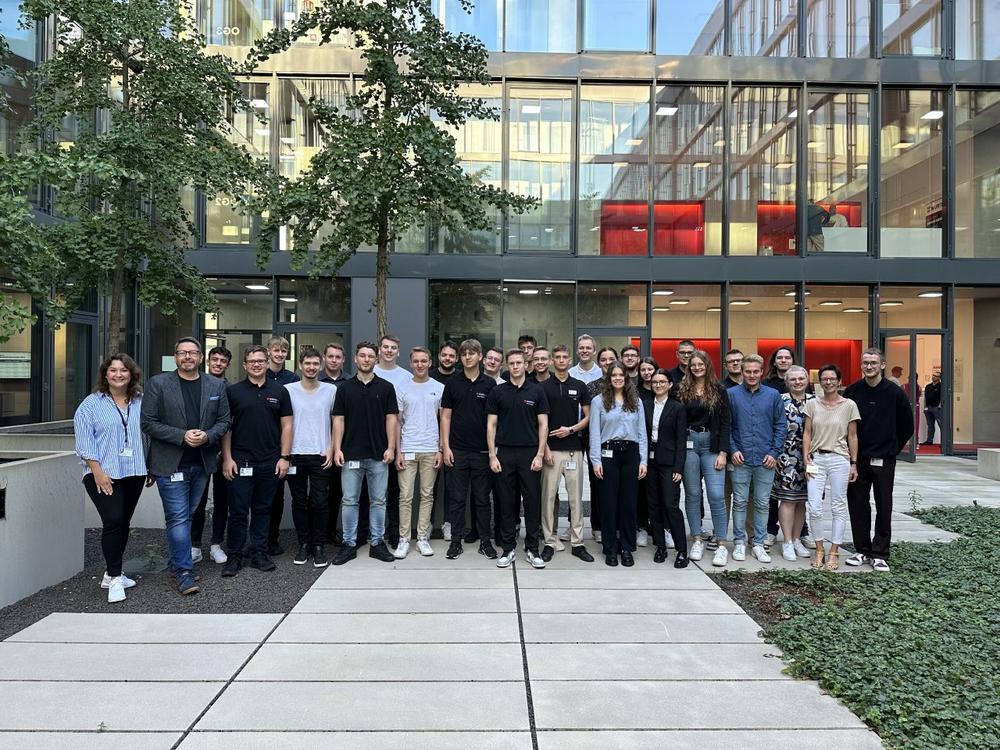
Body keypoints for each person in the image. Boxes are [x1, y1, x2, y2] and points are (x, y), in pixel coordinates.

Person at [141, 337, 231, 596]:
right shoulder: (158, 384)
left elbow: (224, 421)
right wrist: (182, 435)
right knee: (179, 517)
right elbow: (148, 422)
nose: (188, 357)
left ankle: (177, 562)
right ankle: (183, 572)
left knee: (187, 515)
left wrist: (208, 436)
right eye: (182, 353)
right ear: (175, 357)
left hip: (201, 463)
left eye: (192, 353)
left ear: (201, 357)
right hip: (170, 464)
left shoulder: (216, 385)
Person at [74, 354, 150, 604]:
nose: (119, 374)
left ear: (132, 374)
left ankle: (111, 573)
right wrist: (97, 472)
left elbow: (149, 434)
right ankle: (116, 579)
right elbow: (84, 441)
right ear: (105, 374)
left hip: (135, 470)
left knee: (123, 521)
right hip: (102, 473)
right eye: (113, 370)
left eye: (124, 370)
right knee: (113, 519)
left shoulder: (141, 401)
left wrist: (150, 466)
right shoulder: (91, 404)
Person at [220, 345, 293, 577]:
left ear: (267, 362)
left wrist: (284, 457)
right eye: (252, 361)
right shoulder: (233, 392)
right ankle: (234, 555)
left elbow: (287, 425)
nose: (257, 364)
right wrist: (227, 459)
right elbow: (226, 428)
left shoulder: (280, 391)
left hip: (270, 461)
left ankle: (259, 552)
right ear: (245, 365)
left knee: (263, 510)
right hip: (240, 461)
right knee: (238, 511)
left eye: (261, 361)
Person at [843, 347, 914, 572]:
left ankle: (880, 553)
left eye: (873, 363)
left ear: (882, 365)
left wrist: (892, 449)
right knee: (857, 505)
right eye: (865, 363)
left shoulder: (895, 393)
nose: (869, 366)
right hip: (857, 460)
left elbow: (907, 426)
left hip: (884, 460)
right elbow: (844, 423)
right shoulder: (853, 391)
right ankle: (862, 550)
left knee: (884, 505)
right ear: (861, 365)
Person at [331, 341, 400, 565]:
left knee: (378, 501)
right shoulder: (344, 388)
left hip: (379, 455)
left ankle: (377, 543)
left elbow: (392, 419)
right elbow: (338, 420)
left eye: (371, 356)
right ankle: (349, 544)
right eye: (362, 355)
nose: (366, 359)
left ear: (376, 359)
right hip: (350, 454)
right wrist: (337, 448)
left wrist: (391, 447)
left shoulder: (386, 387)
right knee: (350, 501)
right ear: (355, 359)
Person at [487, 348, 550, 569]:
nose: (515, 366)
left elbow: (543, 425)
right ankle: (508, 549)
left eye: (519, 363)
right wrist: (492, 455)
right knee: (506, 502)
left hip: (530, 453)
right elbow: (491, 425)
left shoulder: (537, 391)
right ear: (507, 365)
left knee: (532, 502)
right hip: (504, 453)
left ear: (526, 365)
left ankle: (533, 549)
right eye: (511, 363)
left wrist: (540, 454)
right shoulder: (498, 392)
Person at [441, 339, 498, 560]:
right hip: (457, 450)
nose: (467, 357)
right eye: (464, 353)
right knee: (457, 500)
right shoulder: (452, 383)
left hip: (482, 452)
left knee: (482, 500)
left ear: (480, 357)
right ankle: (456, 542)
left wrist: (492, 452)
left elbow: (493, 421)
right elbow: (446, 417)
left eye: (472, 353)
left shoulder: (489, 384)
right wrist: (446, 447)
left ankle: (485, 542)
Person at [727, 354, 787, 564]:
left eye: (755, 371)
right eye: (748, 371)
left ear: (761, 372)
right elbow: (727, 426)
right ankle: (739, 542)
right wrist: (733, 450)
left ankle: (759, 543)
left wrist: (774, 452)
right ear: (742, 372)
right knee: (740, 502)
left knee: (762, 503)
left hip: (765, 459)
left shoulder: (773, 395)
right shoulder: (731, 394)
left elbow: (781, 426)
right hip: (740, 458)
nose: (751, 375)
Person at [675, 350, 732, 567]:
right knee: (692, 494)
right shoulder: (682, 389)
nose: (697, 367)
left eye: (700, 364)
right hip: (689, 444)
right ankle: (697, 538)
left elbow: (726, 423)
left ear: (707, 365)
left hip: (712, 445)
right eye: (693, 365)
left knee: (716, 495)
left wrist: (723, 453)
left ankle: (721, 543)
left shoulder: (718, 389)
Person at [803, 364, 860, 571]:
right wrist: (806, 459)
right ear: (820, 382)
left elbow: (852, 436)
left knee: (838, 506)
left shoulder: (849, 405)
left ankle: (834, 551)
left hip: (839, 459)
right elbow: (807, 433)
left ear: (839, 381)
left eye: (832, 379)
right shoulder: (812, 404)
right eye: (824, 379)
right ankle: (819, 548)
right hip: (816, 459)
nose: (828, 382)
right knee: (814, 506)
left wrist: (854, 463)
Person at [589, 362, 647, 567]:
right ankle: (610, 548)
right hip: (608, 455)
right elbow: (594, 433)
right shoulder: (598, 401)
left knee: (628, 503)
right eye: (613, 375)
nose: (617, 378)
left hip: (631, 454)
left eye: (621, 375)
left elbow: (642, 432)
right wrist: (596, 460)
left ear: (626, 377)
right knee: (608, 503)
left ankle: (627, 547)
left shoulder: (636, 401)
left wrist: (643, 460)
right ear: (609, 378)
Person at [539, 345, 592, 563]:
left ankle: (577, 543)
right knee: (548, 498)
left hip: (573, 450)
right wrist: (544, 449)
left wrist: (570, 430)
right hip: (550, 451)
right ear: (552, 361)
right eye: (557, 357)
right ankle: (549, 541)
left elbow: (588, 417)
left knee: (575, 499)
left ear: (570, 360)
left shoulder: (579, 386)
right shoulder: (542, 387)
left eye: (564, 357)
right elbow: (539, 421)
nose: (561, 360)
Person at [285, 348, 337, 568]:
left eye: (315, 363)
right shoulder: (288, 390)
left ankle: (319, 545)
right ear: (300, 365)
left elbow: (337, 421)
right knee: (299, 501)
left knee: (320, 502)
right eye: (307, 363)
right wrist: (284, 454)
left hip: (321, 454)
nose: (311, 367)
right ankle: (303, 543)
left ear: (321, 365)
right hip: (295, 454)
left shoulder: (330, 390)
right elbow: (283, 423)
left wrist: (332, 448)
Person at [395, 347, 444, 558]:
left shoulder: (439, 388)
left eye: (424, 361)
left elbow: (444, 420)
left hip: (431, 449)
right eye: (416, 361)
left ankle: (422, 538)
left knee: (427, 495)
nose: (420, 365)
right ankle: (404, 539)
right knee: (405, 496)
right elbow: (397, 422)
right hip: (407, 448)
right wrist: (397, 451)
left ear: (430, 363)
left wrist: (441, 449)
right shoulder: (402, 388)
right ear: (411, 363)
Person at [762, 346, 814, 548]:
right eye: (793, 379)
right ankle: (784, 538)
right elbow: (770, 427)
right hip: (785, 457)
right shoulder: (778, 399)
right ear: (787, 381)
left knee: (802, 499)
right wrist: (772, 453)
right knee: (785, 498)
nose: (797, 382)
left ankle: (799, 536)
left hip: (811, 458)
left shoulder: (815, 401)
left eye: (801, 379)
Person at [191, 345, 233, 565]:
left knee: (222, 500)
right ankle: (195, 545)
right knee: (197, 500)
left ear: (228, 365)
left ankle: (217, 543)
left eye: (222, 361)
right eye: (214, 359)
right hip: (199, 452)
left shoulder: (231, 390)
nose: (218, 363)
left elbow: (229, 423)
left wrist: (225, 454)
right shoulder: (198, 384)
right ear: (207, 361)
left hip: (223, 453)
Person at [644, 369, 688, 567]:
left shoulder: (677, 408)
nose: (658, 385)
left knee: (670, 504)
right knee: (653, 505)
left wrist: (679, 467)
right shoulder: (645, 405)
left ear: (670, 384)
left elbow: (681, 440)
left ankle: (681, 550)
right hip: (650, 461)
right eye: (655, 382)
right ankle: (660, 546)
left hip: (669, 462)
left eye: (662, 382)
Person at [373, 334, 411, 548]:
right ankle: (368, 532)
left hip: (399, 441)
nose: (389, 350)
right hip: (373, 439)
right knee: (372, 491)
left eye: (393, 347)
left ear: (398, 352)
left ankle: (394, 531)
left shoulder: (406, 377)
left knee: (395, 490)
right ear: (379, 350)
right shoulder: (370, 372)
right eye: (385, 347)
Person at [264, 335, 299, 556]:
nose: (279, 354)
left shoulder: (293, 378)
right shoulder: (260, 374)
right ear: (268, 351)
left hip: (289, 444)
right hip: (267, 442)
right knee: (268, 496)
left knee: (284, 497)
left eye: (283, 351)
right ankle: (264, 539)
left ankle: (275, 538)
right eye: (276, 350)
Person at [584, 346, 620, 544]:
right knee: (597, 484)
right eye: (603, 360)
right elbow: (590, 419)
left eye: (611, 359)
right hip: (598, 443)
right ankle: (597, 526)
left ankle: (618, 526)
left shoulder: (625, 385)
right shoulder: (592, 387)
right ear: (599, 363)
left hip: (622, 446)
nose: (607, 363)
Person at [319, 342, 348, 546]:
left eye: (338, 357)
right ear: (324, 358)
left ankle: (329, 531)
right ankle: (316, 534)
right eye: (330, 356)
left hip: (342, 446)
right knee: (318, 494)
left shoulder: (349, 382)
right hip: (319, 443)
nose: (334, 360)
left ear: (343, 360)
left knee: (337, 492)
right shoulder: (315, 379)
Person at [634, 356, 659, 547]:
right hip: (640, 445)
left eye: (650, 369)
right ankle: (641, 526)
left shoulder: (663, 390)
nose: (647, 373)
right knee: (641, 489)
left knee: (659, 489)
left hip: (661, 447)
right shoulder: (635, 392)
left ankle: (660, 527)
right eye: (643, 369)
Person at [922, 371, 942, 445]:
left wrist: (940, 406)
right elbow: (925, 397)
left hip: (937, 408)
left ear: (939, 378)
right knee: (930, 425)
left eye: (935, 376)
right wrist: (925, 407)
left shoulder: (941, 386)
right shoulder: (928, 386)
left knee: (941, 424)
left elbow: (942, 397)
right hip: (928, 408)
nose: (933, 377)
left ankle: (943, 442)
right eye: (933, 375)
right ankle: (929, 440)